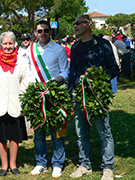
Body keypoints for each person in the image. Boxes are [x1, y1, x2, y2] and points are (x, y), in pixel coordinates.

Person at [69, 15, 118, 180]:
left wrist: (98, 78)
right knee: (81, 132)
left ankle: (108, 168)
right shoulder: (75, 47)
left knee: (103, 131)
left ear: (88, 25)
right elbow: (72, 72)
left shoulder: (102, 44)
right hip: (78, 95)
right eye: (74, 23)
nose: (74, 26)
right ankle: (84, 165)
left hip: (96, 95)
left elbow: (113, 68)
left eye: (78, 23)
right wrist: (71, 93)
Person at [0, 31, 29, 176]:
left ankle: (13, 164)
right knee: (1, 138)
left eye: (10, 43)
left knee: (14, 137)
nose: (8, 46)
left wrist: (24, 103)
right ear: (0, 45)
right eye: (5, 43)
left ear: (14, 44)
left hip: (16, 104)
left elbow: (25, 84)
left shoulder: (22, 61)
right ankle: (4, 165)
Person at [27, 20, 69, 178]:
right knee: (38, 133)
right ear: (35, 33)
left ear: (50, 32)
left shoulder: (59, 49)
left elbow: (65, 72)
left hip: (54, 95)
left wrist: (54, 82)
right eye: (39, 31)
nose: (42, 33)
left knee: (57, 131)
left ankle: (57, 164)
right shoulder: (29, 50)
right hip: (37, 96)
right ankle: (41, 163)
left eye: (45, 30)